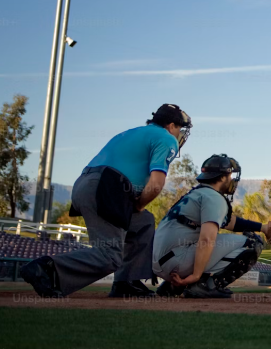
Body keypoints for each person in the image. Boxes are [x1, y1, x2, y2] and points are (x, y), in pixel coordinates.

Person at [20, 104, 192, 298]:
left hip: (87, 184)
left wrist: (134, 208)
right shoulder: (166, 138)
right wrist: (138, 204)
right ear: (171, 125)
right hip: (107, 187)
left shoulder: (132, 132)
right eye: (179, 128)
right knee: (109, 256)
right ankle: (46, 269)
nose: (179, 134)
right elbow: (155, 184)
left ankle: (126, 282)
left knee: (143, 221)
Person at [152, 154, 271, 299]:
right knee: (252, 243)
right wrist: (196, 275)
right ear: (223, 177)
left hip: (162, 262)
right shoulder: (214, 198)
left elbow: (229, 222)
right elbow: (206, 239)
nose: (231, 180)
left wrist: (263, 227)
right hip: (176, 261)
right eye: (230, 175)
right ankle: (205, 286)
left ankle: (171, 286)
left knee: (212, 242)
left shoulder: (197, 194)